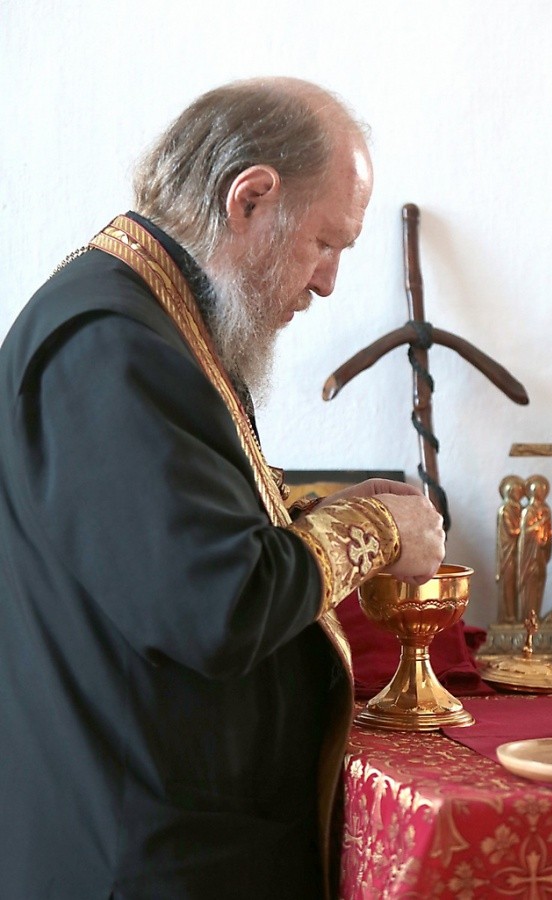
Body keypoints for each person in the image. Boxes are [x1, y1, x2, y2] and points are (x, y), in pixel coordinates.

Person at [0, 78, 445, 900]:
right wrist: (375, 529)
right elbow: (218, 602)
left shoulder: (152, 315)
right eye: (326, 243)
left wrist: (314, 511)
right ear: (251, 199)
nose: (328, 282)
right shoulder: (112, 342)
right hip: (138, 857)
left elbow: (185, 531)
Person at [517, 475, 552, 621]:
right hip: (529, 553)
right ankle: (526, 617)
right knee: (529, 582)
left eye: (543, 491)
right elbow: (525, 532)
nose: (541, 493)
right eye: (539, 490)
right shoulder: (528, 511)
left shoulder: (546, 510)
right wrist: (541, 523)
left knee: (539, 580)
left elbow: (549, 532)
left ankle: (535, 616)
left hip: (540, 552)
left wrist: (546, 539)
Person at [494, 475, 526, 623]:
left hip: (520, 553)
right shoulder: (505, 509)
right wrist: (531, 525)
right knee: (508, 582)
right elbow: (513, 531)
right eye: (516, 491)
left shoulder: (521, 509)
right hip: (508, 551)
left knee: (518, 583)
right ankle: (508, 616)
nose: (519, 494)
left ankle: (520, 615)